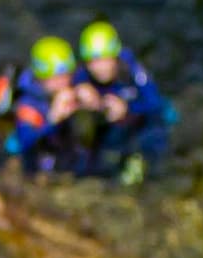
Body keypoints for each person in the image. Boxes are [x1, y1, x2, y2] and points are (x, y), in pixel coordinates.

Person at [72, 21, 178, 180]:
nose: (99, 68)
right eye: (92, 62)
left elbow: (154, 104)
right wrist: (79, 94)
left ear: (115, 56)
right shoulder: (83, 75)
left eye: (104, 60)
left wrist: (127, 109)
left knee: (155, 145)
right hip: (110, 129)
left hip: (142, 124)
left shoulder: (132, 70)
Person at [0, 35, 93, 175]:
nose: (63, 82)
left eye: (67, 75)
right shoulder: (28, 103)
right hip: (35, 160)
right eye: (56, 78)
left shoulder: (71, 88)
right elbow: (26, 143)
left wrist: (95, 103)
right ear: (41, 77)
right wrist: (53, 118)